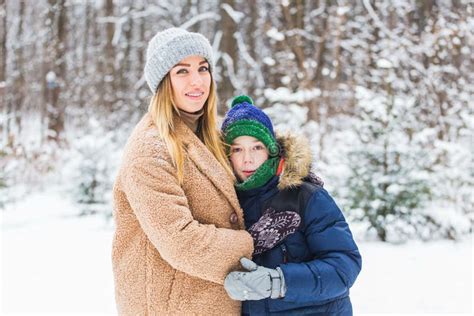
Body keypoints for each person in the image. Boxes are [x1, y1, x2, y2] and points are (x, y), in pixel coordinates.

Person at [112, 28, 254, 315]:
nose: (197, 81)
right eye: (182, 71)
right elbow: (182, 242)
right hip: (172, 306)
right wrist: (257, 244)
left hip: (212, 301)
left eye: (203, 68)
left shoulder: (211, 135)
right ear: (164, 81)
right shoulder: (149, 150)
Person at [221, 95, 362, 315]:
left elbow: (343, 267)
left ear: (271, 150)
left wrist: (279, 281)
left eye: (256, 147)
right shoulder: (225, 204)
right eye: (237, 149)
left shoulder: (305, 196)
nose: (247, 159)